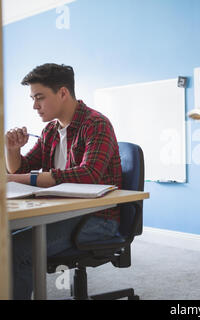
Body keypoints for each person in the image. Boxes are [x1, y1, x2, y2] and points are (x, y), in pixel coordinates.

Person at [6, 63, 122, 300]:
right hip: (60, 211)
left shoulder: (96, 124)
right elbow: (24, 169)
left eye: (39, 97)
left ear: (62, 93)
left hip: (96, 218)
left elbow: (88, 175)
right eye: (32, 98)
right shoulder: (50, 131)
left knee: (16, 250)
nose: (34, 106)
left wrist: (13, 178)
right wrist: (12, 149)